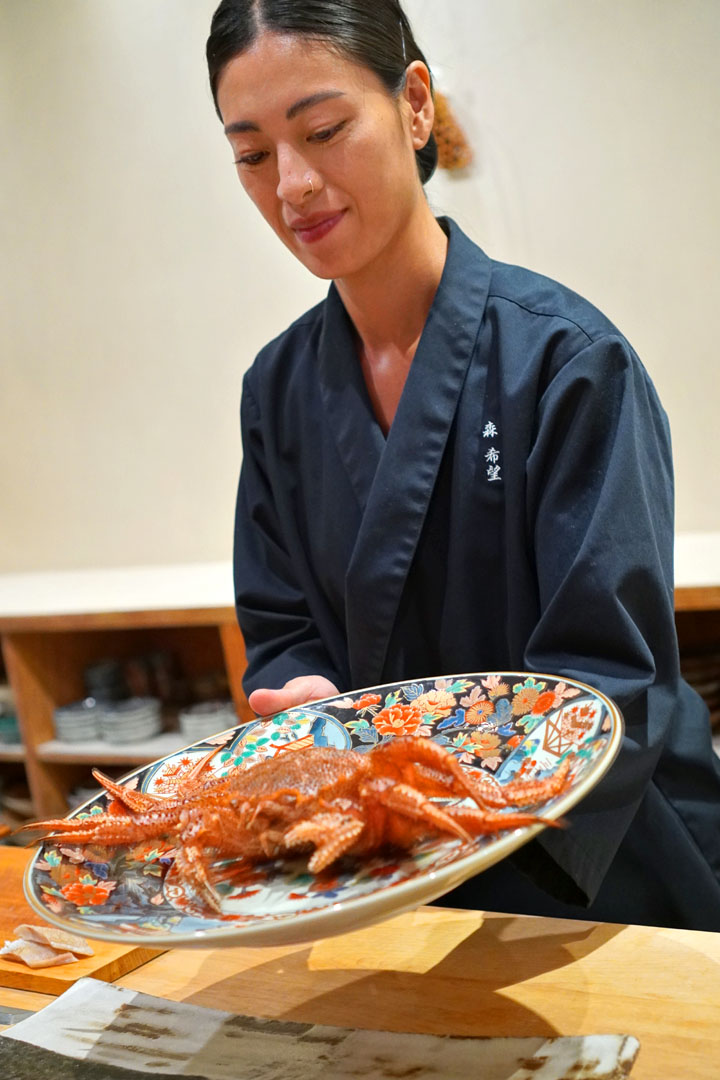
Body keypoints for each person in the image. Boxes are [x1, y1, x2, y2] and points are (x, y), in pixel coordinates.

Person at [206, 0, 720, 931]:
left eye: (323, 131)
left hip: (593, 864)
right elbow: (282, 623)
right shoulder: (274, 389)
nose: (292, 184)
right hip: (380, 863)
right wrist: (311, 704)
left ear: (413, 104)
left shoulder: (567, 361)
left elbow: (607, 674)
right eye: (251, 154)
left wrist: (429, 814)